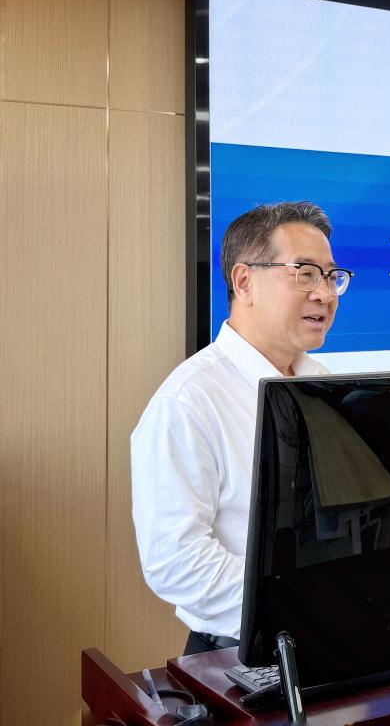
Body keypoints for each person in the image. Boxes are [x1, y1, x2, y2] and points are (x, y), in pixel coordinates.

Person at [131, 201, 353, 655]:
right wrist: (297, 603)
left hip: (334, 635)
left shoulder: (323, 382)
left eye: (332, 276)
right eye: (306, 273)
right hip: (239, 652)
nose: (325, 294)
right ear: (244, 281)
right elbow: (175, 561)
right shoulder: (188, 401)